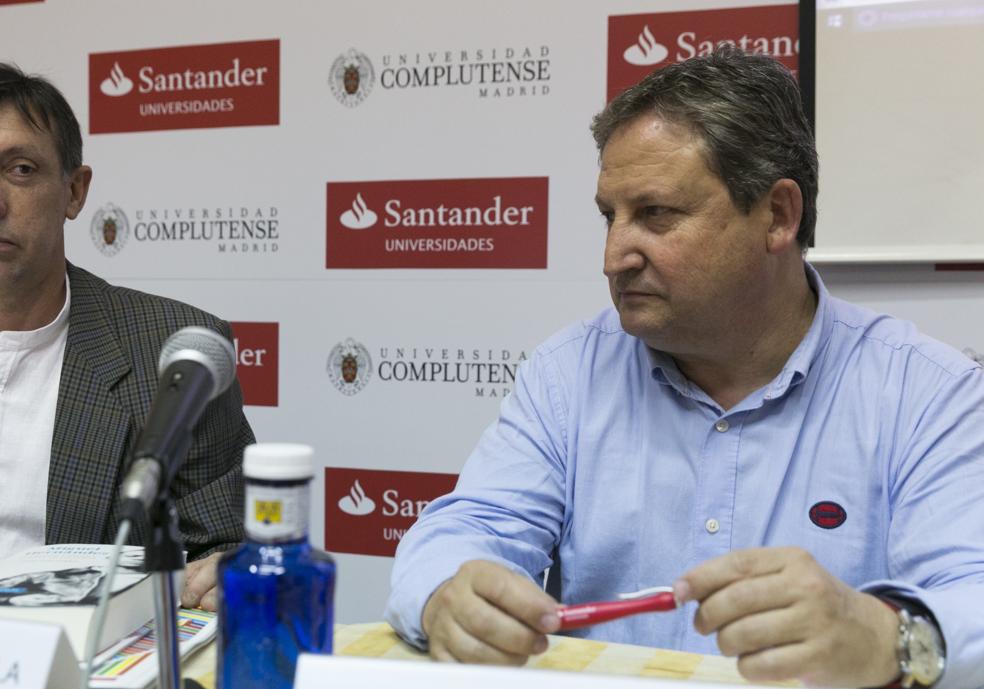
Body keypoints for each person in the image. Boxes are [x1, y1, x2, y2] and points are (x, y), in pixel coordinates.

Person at [385, 47, 984, 689]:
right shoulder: (569, 374)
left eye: (656, 215)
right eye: (608, 217)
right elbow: (464, 531)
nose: (615, 256)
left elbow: (972, 593)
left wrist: (886, 636)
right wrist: (450, 593)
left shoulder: (927, 393)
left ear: (778, 215)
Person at [0, 63, 254, 611]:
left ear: (74, 190)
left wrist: (229, 573)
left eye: (20, 170)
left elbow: (227, 546)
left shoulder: (173, 353)